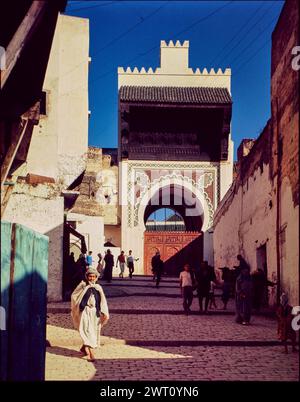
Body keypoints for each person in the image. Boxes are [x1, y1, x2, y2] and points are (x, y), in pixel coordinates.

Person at [71, 268, 109, 362]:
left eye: (93, 276)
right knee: (86, 330)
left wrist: (103, 311)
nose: (91, 278)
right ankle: (91, 354)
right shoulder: (83, 285)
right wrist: (78, 305)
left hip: (95, 312)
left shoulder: (98, 287)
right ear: (87, 277)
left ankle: (84, 347)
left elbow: (102, 300)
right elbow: (74, 295)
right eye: (90, 276)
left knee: (92, 331)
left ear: (96, 277)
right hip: (85, 311)